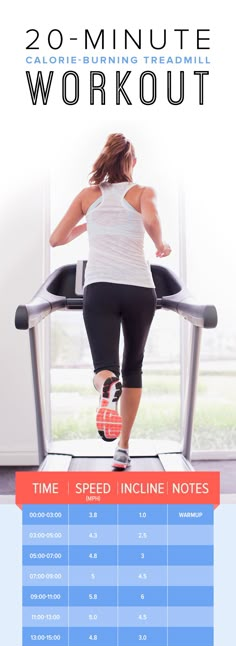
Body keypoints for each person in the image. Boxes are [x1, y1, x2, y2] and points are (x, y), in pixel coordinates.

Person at [49, 133, 171, 469]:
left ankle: (107, 384)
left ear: (105, 159)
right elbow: (151, 219)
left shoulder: (89, 195)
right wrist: (160, 244)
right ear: (131, 162)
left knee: (104, 367)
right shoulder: (143, 192)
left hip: (100, 287)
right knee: (134, 367)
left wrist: (89, 223)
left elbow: (56, 239)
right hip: (138, 288)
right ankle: (123, 448)